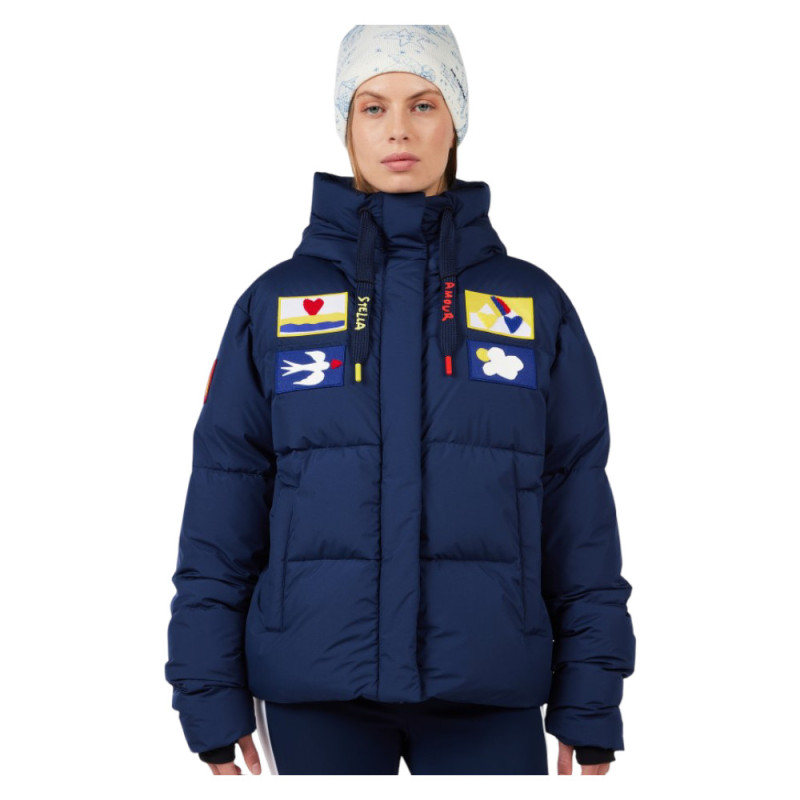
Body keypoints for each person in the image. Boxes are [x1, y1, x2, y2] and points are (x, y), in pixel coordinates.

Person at [165, 24, 636, 776]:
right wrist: (207, 689)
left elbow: (576, 501)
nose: (398, 131)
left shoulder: (530, 303)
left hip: (487, 684)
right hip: (316, 685)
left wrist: (592, 691)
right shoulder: (275, 304)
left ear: (456, 121)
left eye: (423, 104)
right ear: (346, 125)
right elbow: (224, 503)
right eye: (372, 107)